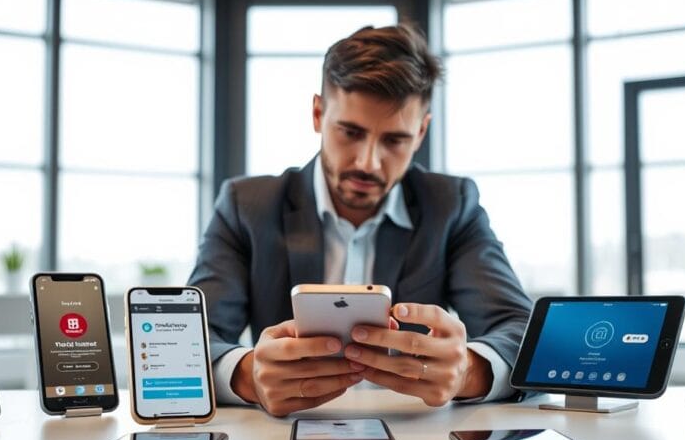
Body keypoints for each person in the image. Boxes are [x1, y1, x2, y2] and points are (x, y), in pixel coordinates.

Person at [188, 23, 532, 416]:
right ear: (318, 114)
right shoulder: (245, 206)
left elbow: (524, 331)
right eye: (350, 132)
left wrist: (469, 372)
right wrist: (248, 376)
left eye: (394, 140)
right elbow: (192, 339)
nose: (368, 162)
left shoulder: (451, 206)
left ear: (421, 132)